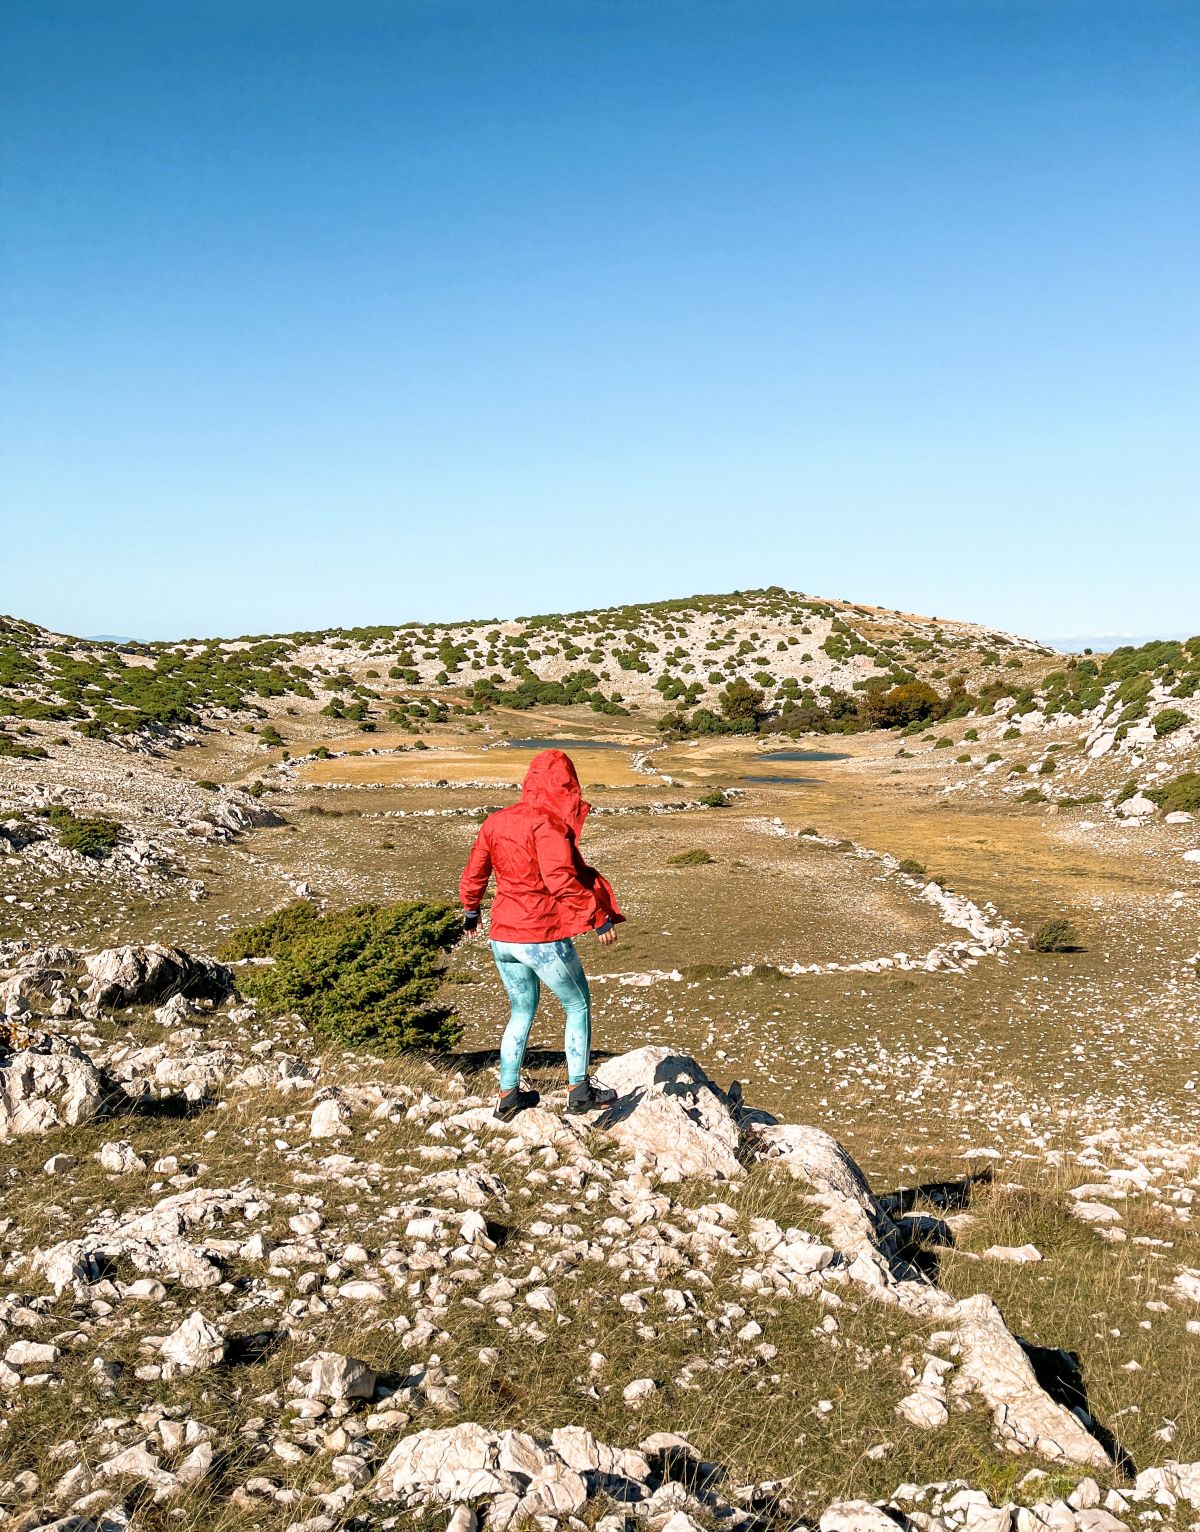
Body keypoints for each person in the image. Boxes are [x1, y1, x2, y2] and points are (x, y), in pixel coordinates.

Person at [460, 748, 625, 1120]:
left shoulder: (496, 821)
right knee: (577, 1004)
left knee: (521, 1010)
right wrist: (597, 916)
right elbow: (559, 878)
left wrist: (471, 912)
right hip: (541, 934)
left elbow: (475, 872)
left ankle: (508, 1095)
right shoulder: (547, 825)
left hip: (503, 935)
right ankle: (579, 1090)